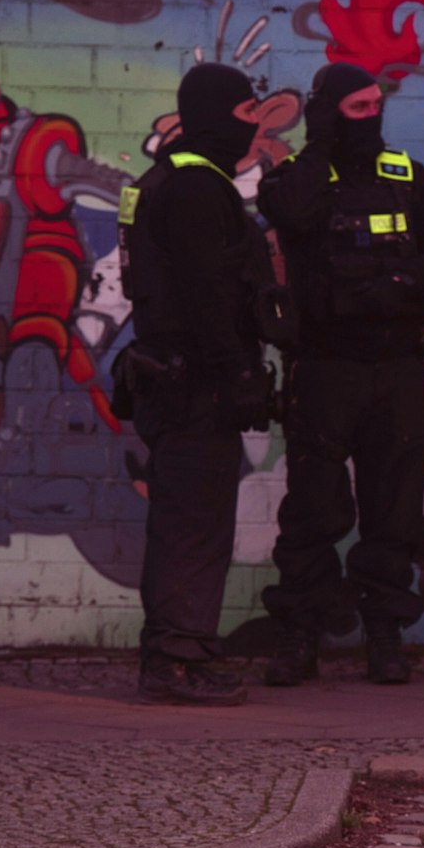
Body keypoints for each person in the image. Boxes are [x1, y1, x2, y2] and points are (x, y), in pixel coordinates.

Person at [257, 62, 424, 687]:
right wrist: (322, 148)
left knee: (393, 508)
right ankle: (300, 633)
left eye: (377, 105)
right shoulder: (299, 177)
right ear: (327, 114)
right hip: (324, 369)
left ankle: (384, 633)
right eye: (355, 108)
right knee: (315, 508)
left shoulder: (405, 177)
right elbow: (290, 216)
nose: (370, 118)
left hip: (397, 367)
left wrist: (401, 284)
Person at [116, 63, 273, 706]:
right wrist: (237, 370)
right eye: (246, 114)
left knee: (186, 516)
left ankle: (183, 648)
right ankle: (176, 658)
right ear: (213, 114)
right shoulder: (198, 189)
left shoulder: (161, 180)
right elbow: (208, 292)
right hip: (195, 380)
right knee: (195, 521)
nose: (256, 126)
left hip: (167, 374)